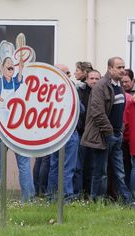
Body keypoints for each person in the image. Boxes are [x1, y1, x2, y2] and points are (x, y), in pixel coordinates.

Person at [81, 57, 135, 206]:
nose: (122, 70)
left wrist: (120, 130)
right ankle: (96, 201)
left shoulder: (118, 85)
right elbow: (97, 113)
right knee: (101, 172)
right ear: (110, 68)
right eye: (119, 67)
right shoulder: (101, 86)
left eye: (123, 67)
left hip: (117, 135)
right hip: (104, 136)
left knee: (120, 171)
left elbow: (120, 111)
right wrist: (110, 133)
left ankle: (125, 200)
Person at [0, 57, 35, 201]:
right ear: (2, 68)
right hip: (1, 128)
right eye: (7, 66)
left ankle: (28, 198)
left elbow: (20, 78)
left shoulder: (16, 81)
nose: (10, 68)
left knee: (24, 165)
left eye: (12, 67)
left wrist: (21, 67)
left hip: (17, 128)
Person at [46, 64, 79, 201]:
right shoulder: (68, 89)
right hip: (68, 132)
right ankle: (66, 196)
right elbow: (80, 109)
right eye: (68, 73)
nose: (70, 75)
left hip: (54, 132)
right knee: (67, 167)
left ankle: (51, 195)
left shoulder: (47, 89)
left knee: (54, 165)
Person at [77, 69, 101, 196]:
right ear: (86, 79)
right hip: (81, 134)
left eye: (97, 79)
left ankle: (90, 194)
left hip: (95, 136)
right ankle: (78, 194)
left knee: (92, 167)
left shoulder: (102, 92)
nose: (94, 81)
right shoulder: (80, 92)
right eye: (92, 78)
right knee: (78, 167)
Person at [121, 68, 135, 187]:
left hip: (133, 138)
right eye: (122, 82)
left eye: (127, 81)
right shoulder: (119, 95)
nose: (125, 84)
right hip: (122, 137)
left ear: (133, 81)